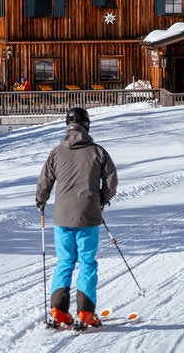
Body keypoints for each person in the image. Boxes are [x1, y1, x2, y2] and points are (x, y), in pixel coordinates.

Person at [35, 107, 117, 328]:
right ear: (87, 125)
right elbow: (111, 182)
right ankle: (86, 312)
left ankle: (59, 311)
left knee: (65, 261)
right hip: (88, 216)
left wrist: (41, 201)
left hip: (62, 218)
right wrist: (101, 199)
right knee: (87, 262)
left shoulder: (56, 152)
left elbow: (45, 180)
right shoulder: (98, 152)